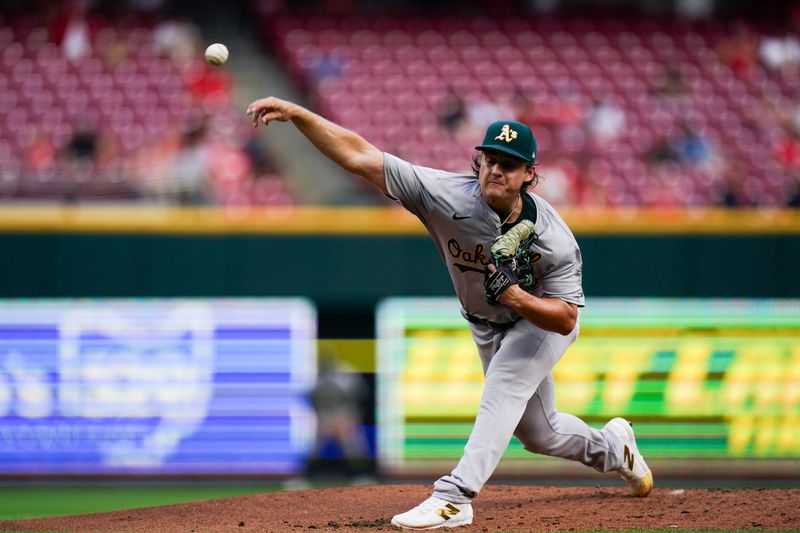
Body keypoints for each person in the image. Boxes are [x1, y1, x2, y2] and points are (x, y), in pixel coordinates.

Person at [246, 96, 654, 530]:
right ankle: (615, 448)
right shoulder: (443, 194)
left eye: (510, 164)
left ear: (530, 175)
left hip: (537, 323)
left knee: (505, 383)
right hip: (485, 325)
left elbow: (567, 318)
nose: (496, 170)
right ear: (477, 162)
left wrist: (517, 298)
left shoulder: (553, 239)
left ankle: (453, 497)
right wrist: (302, 115)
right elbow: (361, 156)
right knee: (539, 433)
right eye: (490, 159)